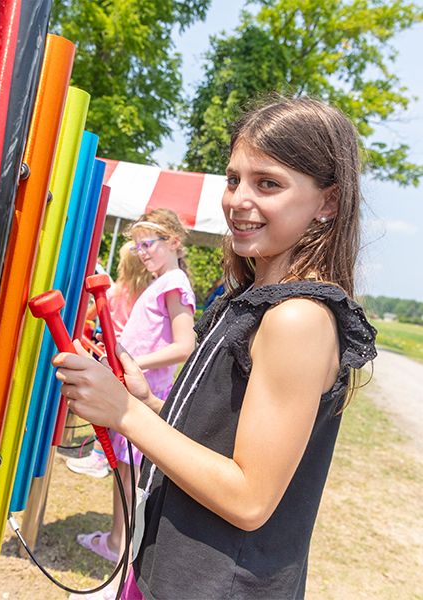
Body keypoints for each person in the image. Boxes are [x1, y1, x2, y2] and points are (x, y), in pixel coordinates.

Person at [54, 96, 377, 599]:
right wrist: (147, 403)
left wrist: (123, 414)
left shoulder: (299, 317)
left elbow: (250, 497)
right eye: (233, 179)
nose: (238, 200)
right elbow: (226, 444)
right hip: (172, 571)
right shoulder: (252, 300)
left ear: (327, 203)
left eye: (267, 183)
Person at [73, 208, 196, 566]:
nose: (141, 252)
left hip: (143, 391)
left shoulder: (175, 283)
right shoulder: (161, 281)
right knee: (124, 470)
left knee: (129, 472)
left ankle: (120, 543)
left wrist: (132, 363)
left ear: (173, 241)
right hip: (131, 387)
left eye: (148, 244)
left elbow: (184, 345)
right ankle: (118, 539)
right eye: (137, 246)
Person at [67, 241, 153, 478]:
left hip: (108, 352)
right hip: (128, 355)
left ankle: (98, 456)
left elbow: (90, 315)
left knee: (101, 403)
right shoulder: (146, 292)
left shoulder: (115, 291)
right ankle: (108, 454)